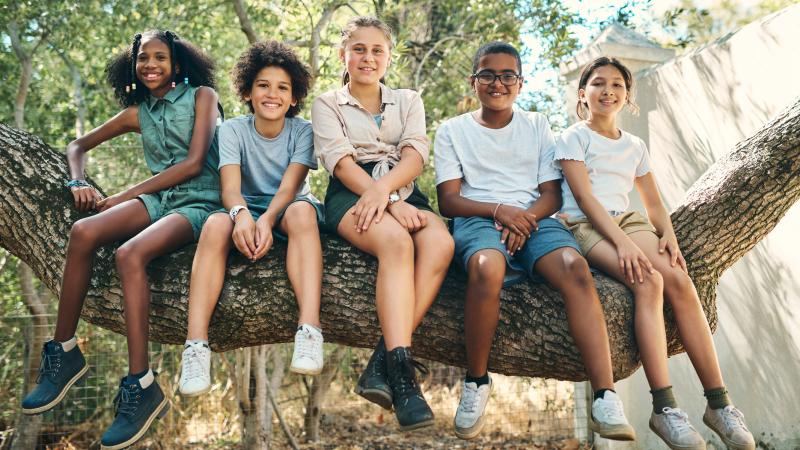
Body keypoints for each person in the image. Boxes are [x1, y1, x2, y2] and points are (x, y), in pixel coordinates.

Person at [21, 30, 223, 450]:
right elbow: (77, 145)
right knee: (84, 231)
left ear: (177, 64)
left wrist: (120, 196)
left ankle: (141, 384)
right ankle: (63, 351)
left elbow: (193, 163)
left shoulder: (202, 96)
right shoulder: (138, 113)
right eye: (143, 58)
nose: (150, 65)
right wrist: (77, 180)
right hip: (156, 200)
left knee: (130, 254)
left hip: (199, 202)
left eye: (160, 57)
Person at [435, 42, 634, 441]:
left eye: (508, 75)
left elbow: (551, 194)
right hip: (479, 219)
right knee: (485, 268)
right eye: (488, 74)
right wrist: (499, 212)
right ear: (474, 81)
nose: (498, 83)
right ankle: (476, 383)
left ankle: (605, 394)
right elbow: (450, 199)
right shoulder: (453, 130)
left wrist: (521, 218)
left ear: (521, 83)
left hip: (536, 220)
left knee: (575, 268)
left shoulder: (537, 125)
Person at [556, 56, 755, 450]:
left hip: (628, 221)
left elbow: (653, 202)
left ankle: (719, 404)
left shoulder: (635, 145)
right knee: (648, 283)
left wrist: (670, 237)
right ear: (583, 94)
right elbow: (584, 198)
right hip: (586, 225)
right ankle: (664, 409)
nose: (607, 90)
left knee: (679, 280)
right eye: (598, 83)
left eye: (617, 84)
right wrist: (624, 244)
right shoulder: (572, 137)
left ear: (627, 95)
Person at [310, 15, 454, 431]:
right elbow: (340, 162)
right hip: (351, 192)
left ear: (389, 57)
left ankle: (382, 361)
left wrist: (393, 194)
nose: (367, 57)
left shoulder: (408, 100)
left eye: (377, 50)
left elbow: (414, 156)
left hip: (404, 187)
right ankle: (404, 378)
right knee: (397, 243)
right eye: (358, 49)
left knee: (440, 244)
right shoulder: (328, 103)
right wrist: (388, 202)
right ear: (344, 55)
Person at [179, 40, 325, 397]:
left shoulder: (302, 131)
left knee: (303, 212)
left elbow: (291, 187)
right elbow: (229, 189)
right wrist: (242, 215)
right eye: (263, 85)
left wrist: (267, 221)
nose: (272, 94)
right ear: (247, 91)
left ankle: (309, 329)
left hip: (289, 207)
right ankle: (195, 346)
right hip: (244, 204)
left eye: (282, 88)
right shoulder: (231, 130)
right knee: (214, 225)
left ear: (294, 98)